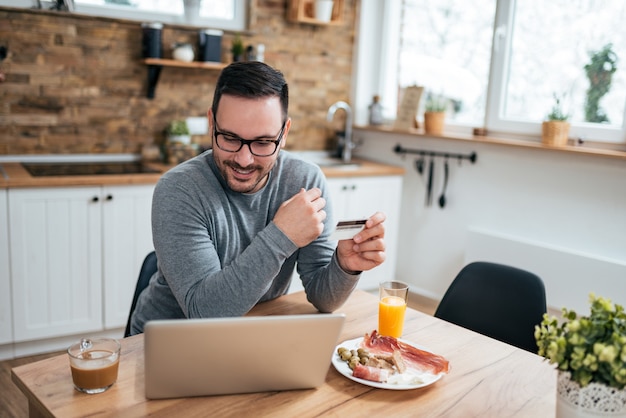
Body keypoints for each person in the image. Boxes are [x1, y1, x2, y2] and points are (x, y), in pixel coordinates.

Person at [129, 61, 387, 335]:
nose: (244, 159)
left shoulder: (305, 182)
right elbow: (204, 312)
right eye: (229, 138)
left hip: (251, 336)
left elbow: (324, 300)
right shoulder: (179, 189)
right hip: (164, 344)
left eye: (263, 142)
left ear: (284, 133)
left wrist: (345, 267)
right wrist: (282, 235)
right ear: (210, 123)